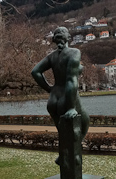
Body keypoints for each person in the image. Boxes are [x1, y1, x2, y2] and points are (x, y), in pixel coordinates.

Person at [31, 27, 90, 168]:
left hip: (53, 98)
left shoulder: (52, 56)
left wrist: (49, 88)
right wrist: (71, 107)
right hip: (67, 97)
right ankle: (71, 160)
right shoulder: (74, 53)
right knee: (85, 122)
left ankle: (63, 155)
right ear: (68, 37)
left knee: (63, 132)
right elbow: (71, 81)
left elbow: (35, 72)